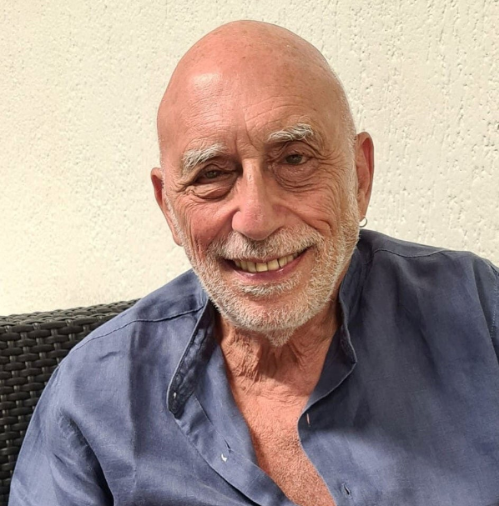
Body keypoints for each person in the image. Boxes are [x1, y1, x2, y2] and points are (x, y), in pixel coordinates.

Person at [9, 20, 499, 506]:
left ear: (360, 177)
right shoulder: (92, 398)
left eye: (294, 159)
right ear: (170, 210)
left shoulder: (478, 311)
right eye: (212, 174)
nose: (257, 220)